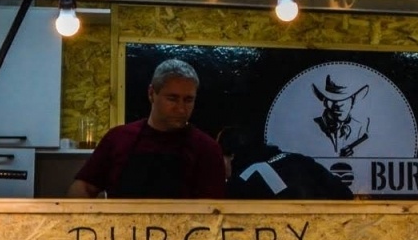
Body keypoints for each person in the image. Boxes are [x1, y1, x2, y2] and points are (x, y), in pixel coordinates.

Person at [70, 60, 226, 199]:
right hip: (123, 230)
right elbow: (83, 187)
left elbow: (214, 211)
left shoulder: (208, 149)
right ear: (151, 94)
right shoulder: (118, 138)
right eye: (172, 98)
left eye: (188, 100)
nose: (180, 109)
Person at [218, 126, 353, 200]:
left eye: (219, 156)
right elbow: (344, 194)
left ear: (232, 156)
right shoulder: (298, 159)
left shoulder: (240, 183)